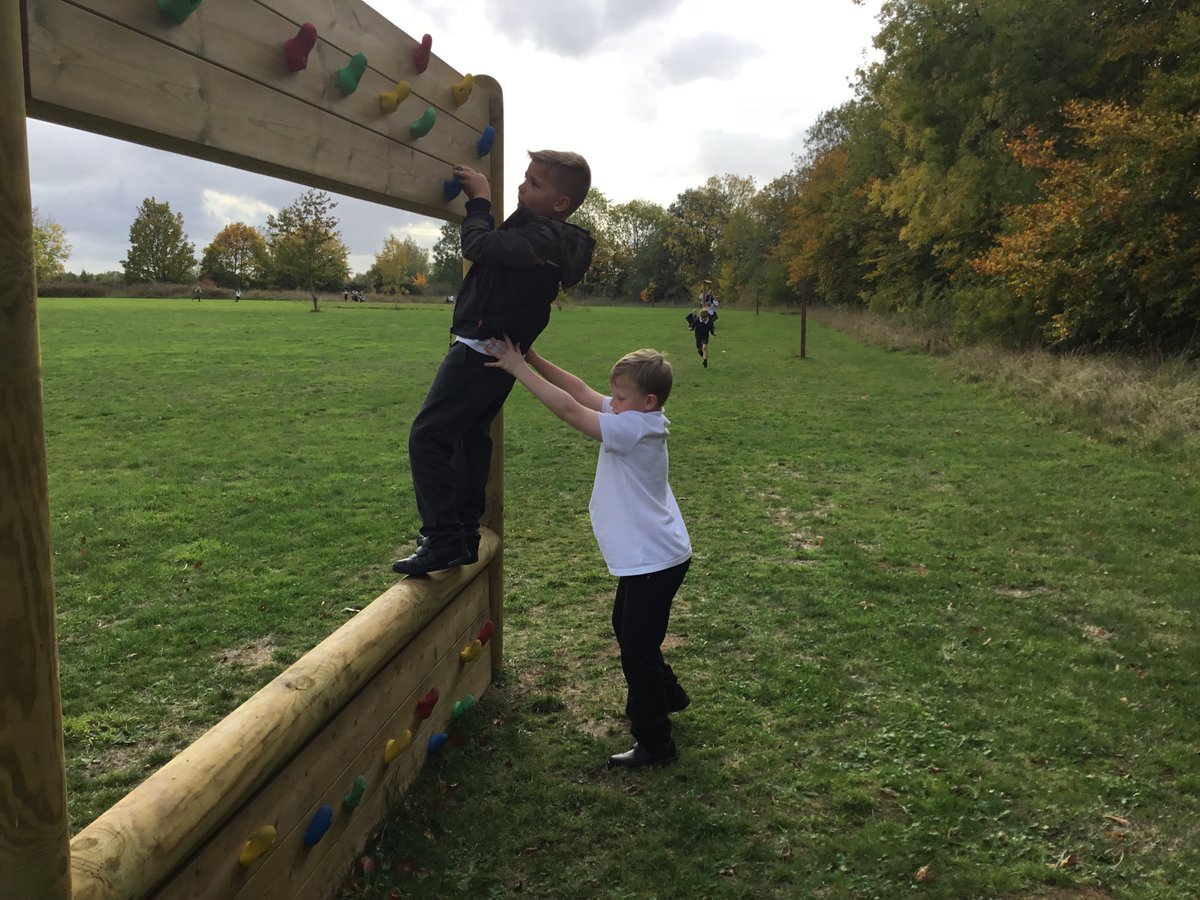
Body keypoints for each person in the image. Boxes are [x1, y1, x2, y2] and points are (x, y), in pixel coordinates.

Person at [484, 338, 692, 768]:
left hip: (654, 559)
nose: (610, 403)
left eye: (619, 396)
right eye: (612, 395)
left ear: (648, 401)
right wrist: (534, 359)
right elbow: (580, 392)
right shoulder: (635, 415)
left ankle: (656, 742)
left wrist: (516, 369)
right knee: (629, 630)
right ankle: (667, 694)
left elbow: (569, 410)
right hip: (656, 555)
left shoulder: (633, 427)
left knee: (636, 648)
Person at [391, 150, 596, 576]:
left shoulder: (541, 240)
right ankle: (463, 533)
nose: (522, 187)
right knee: (469, 437)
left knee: (428, 436)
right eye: (525, 178)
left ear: (561, 204)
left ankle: (444, 535)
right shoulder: (541, 234)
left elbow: (478, 245)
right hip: (494, 353)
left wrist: (480, 201)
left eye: (534, 184)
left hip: (479, 349)